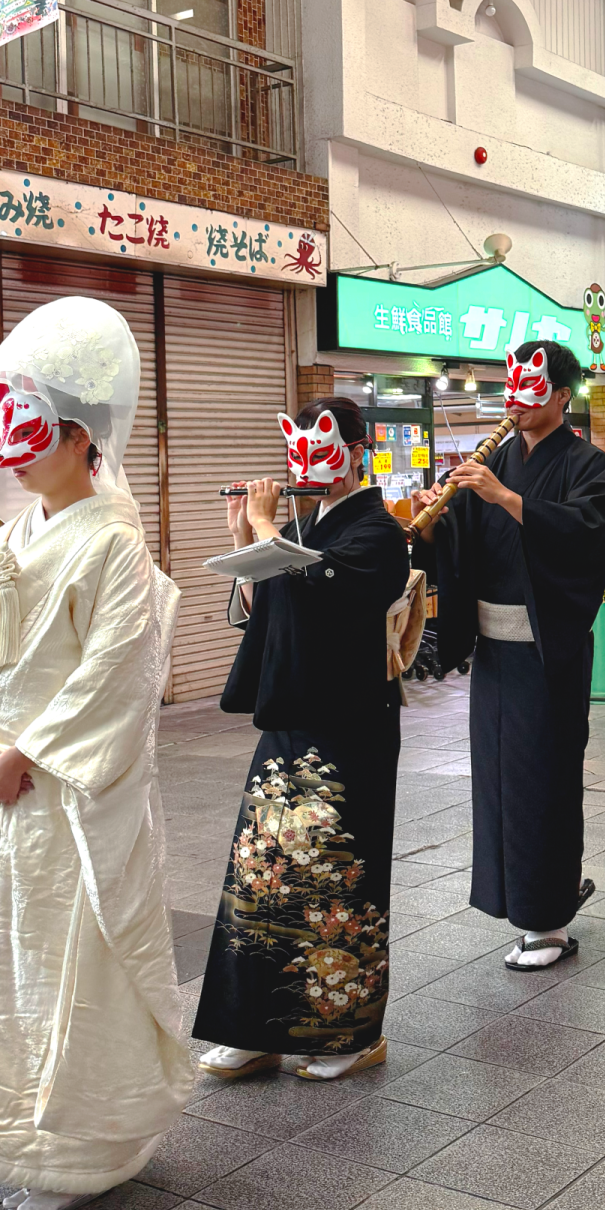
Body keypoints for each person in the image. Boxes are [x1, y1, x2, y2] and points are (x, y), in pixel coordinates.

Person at [0, 298, 190, 1210]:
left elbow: (119, 676)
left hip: (60, 794)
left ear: (82, 442)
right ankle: (2, 1125)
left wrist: (26, 754)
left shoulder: (114, 544)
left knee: (73, 959)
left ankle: (82, 1146)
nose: (16, 452)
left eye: (37, 431)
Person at [195, 399, 412, 1083]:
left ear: (357, 450)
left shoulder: (379, 530)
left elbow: (325, 592)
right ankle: (251, 1026)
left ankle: (348, 1034)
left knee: (336, 881)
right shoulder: (300, 526)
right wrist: (248, 539)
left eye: (326, 447)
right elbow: (270, 614)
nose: (309, 463)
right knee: (262, 875)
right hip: (293, 719)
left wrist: (265, 532)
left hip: (351, 726)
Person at [412, 341, 605, 969]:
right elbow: (469, 549)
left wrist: (503, 497)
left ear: (561, 395)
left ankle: (549, 919)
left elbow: (584, 539)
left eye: (533, 390)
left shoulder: (589, 463)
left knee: (542, 780)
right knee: (497, 780)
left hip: (545, 653)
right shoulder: (495, 458)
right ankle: (514, 903)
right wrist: (438, 525)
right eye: (512, 388)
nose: (516, 402)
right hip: (496, 654)